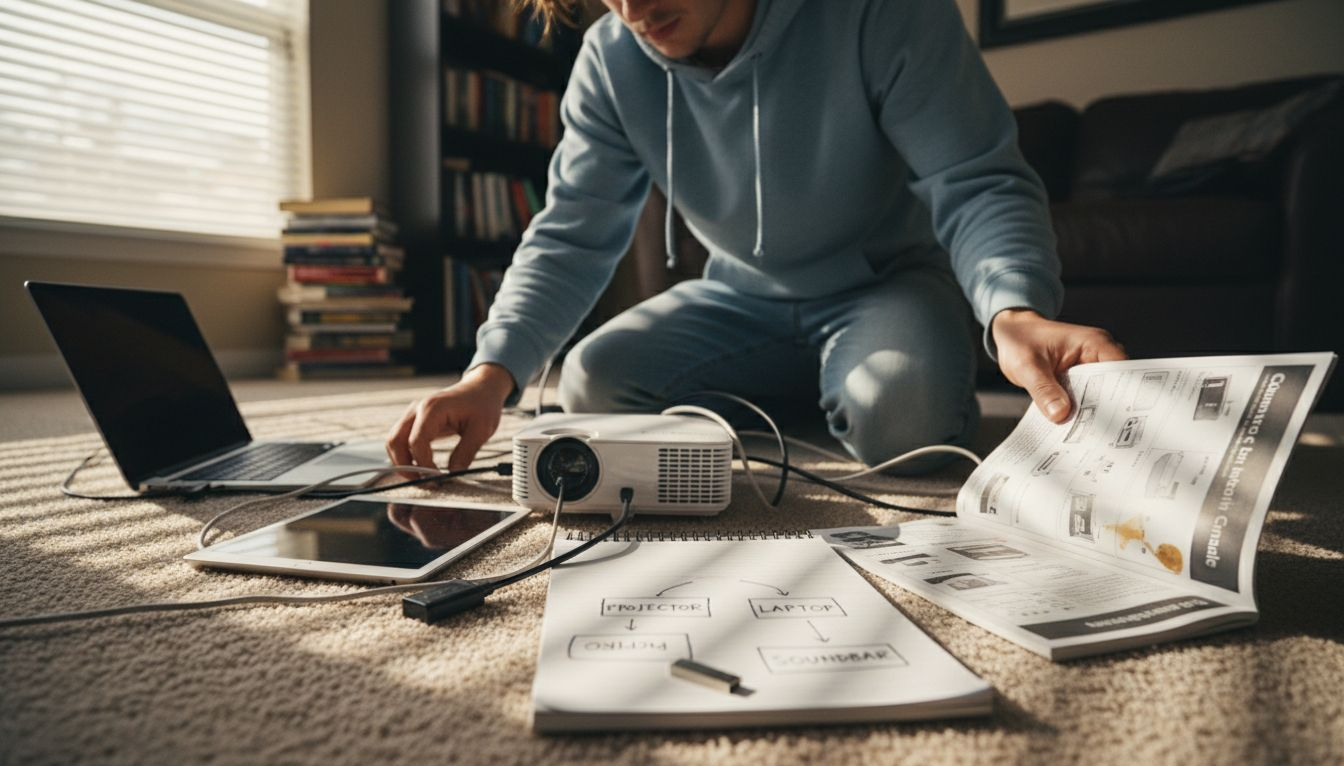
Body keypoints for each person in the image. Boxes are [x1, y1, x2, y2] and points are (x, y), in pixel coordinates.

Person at [386, 0, 1126, 477]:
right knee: (593, 384)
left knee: (906, 422)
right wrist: (491, 373)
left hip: (887, 285)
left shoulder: (887, 12)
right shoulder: (610, 61)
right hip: (739, 299)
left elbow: (975, 177)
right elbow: (569, 235)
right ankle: (826, 400)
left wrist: (1015, 310)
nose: (633, 9)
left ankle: (861, 392)